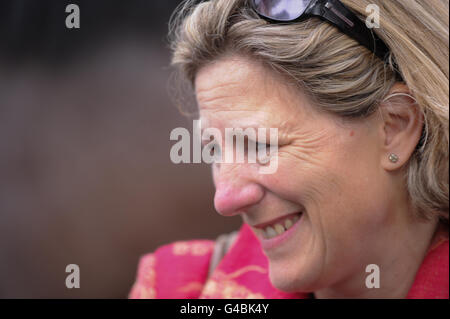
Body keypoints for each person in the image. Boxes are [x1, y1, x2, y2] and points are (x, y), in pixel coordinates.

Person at [129, 0, 449, 298]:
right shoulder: (176, 287)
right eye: (214, 151)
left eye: (260, 145)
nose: (225, 200)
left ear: (395, 127)